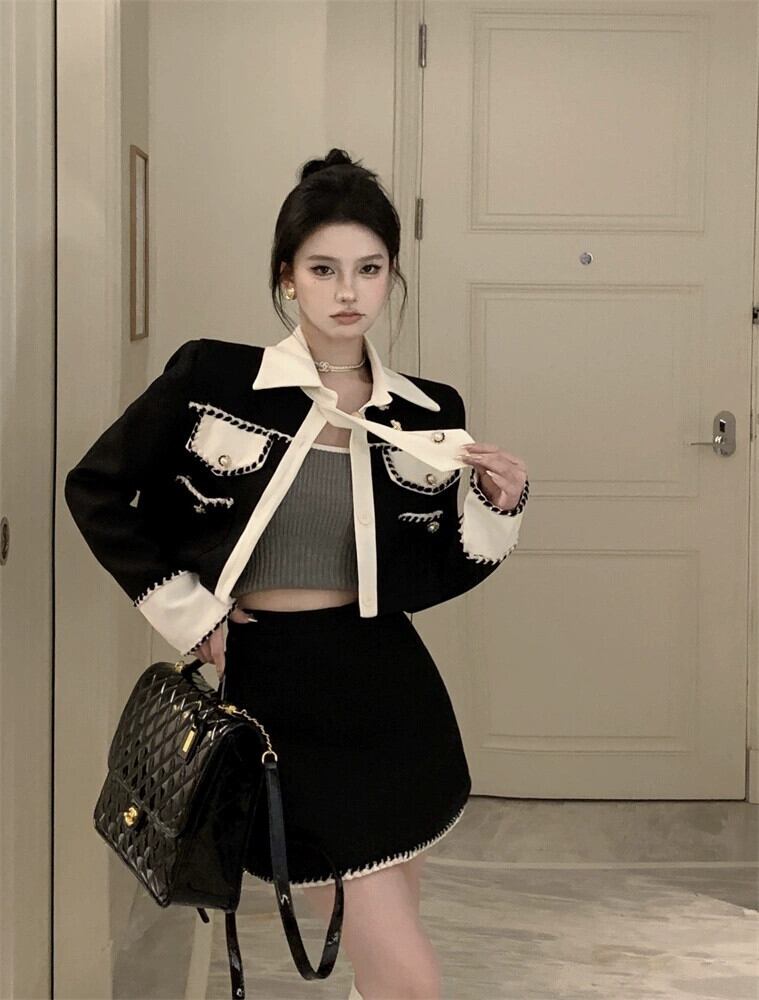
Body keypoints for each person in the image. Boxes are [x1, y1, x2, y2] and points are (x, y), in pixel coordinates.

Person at [64, 148, 529, 1000]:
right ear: (287, 277)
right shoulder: (216, 378)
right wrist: (190, 615)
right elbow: (95, 489)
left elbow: (439, 568)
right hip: (273, 691)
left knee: (386, 944)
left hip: (391, 692)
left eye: (368, 269)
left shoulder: (427, 410)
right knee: (403, 970)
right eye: (323, 269)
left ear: (391, 276)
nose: (347, 291)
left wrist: (500, 504)